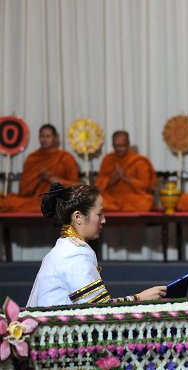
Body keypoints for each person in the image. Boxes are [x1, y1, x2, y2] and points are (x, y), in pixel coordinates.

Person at [27, 182, 165, 307]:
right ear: (78, 217)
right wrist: (140, 298)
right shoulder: (73, 254)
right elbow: (99, 309)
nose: (103, 220)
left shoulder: (67, 247)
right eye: (99, 214)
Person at [0, 124, 80, 212]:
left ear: (55, 138)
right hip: (34, 200)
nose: (44, 140)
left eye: (48, 136)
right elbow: (23, 190)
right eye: (42, 136)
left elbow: (76, 186)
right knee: (6, 203)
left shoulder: (65, 157)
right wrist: (38, 179)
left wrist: (51, 179)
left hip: (56, 199)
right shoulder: (32, 158)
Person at [95, 130, 156, 211]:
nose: (119, 149)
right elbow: (99, 184)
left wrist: (126, 178)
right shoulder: (108, 159)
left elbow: (145, 186)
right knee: (97, 200)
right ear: (112, 145)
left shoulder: (139, 161)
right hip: (112, 197)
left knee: (146, 202)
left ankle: (119, 208)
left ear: (128, 144)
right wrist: (112, 180)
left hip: (132, 198)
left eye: (122, 146)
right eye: (116, 146)